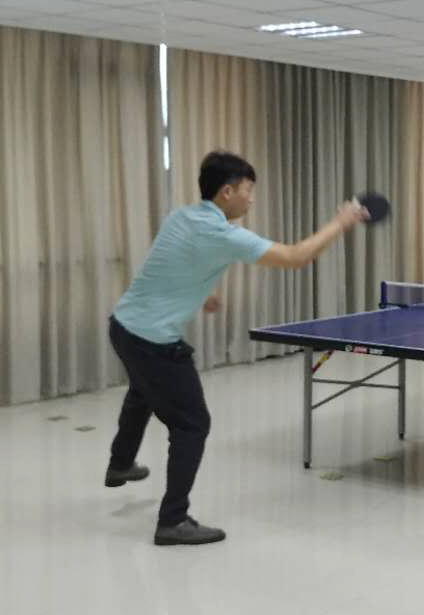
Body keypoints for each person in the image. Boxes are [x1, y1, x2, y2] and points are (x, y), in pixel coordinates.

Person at [105, 150, 369, 546]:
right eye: (248, 190)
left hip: (123, 326)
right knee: (192, 424)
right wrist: (341, 222)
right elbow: (296, 257)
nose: (252, 199)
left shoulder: (183, 216)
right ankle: (172, 521)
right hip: (152, 340)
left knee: (143, 390)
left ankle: (120, 464)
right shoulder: (222, 234)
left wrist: (204, 292)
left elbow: (177, 260)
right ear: (227, 192)